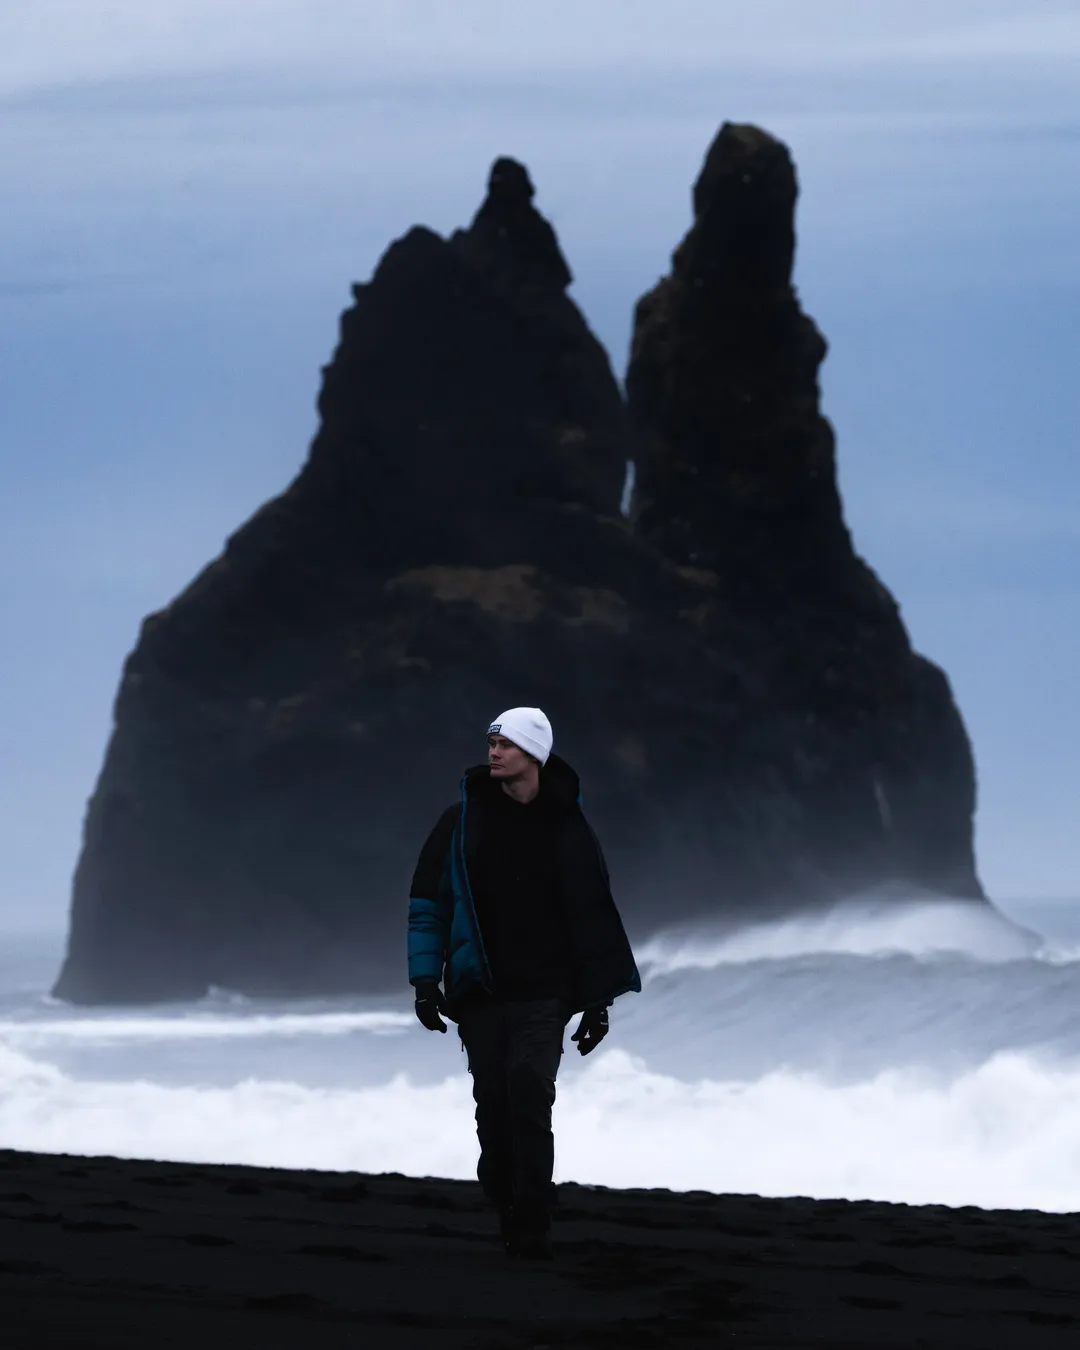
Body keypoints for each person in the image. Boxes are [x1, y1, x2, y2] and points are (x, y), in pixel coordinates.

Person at [407, 707, 641, 1259]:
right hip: (480, 990)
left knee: (530, 1091)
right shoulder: (458, 824)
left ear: (533, 753)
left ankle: (532, 1220)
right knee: (493, 1107)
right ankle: (507, 1201)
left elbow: (593, 916)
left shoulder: (567, 824)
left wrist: (598, 1002)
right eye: (491, 742)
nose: (493, 751)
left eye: (505, 743)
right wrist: (423, 982)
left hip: (545, 992)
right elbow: (427, 905)